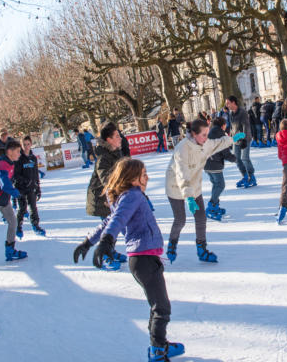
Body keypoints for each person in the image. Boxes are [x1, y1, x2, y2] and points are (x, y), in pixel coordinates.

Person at [73, 159, 184, 362]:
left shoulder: (126, 197)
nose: (147, 177)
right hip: (144, 259)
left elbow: (109, 220)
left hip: (143, 258)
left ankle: (158, 345)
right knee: (161, 307)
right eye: (143, 174)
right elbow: (117, 220)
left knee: (157, 305)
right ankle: (158, 350)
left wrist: (88, 242)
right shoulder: (132, 195)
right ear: (132, 178)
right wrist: (106, 241)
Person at [164, 119, 244, 264]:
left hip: (194, 185)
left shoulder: (205, 143)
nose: (206, 138)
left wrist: (232, 139)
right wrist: (188, 197)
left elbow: (217, 143)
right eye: (203, 135)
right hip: (175, 186)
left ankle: (202, 249)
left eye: (207, 134)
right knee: (180, 220)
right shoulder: (182, 149)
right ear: (194, 134)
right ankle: (172, 245)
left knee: (201, 217)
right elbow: (182, 174)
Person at [85, 122, 127, 265]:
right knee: (110, 228)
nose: (120, 138)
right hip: (101, 198)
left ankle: (110, 250)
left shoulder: (116, 152)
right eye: (117, 136)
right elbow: (107, 180)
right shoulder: (104, 158)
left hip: (112, 197)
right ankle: (104, 255)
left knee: (115, 226)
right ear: (109, 140)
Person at [203, 118, 237, 221]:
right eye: (225, 124)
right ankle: (211, 206)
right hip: (214, 164)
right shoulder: (220, 135)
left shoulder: (209, 132)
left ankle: (215, 205)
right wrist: (235, 159)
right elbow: (225, 152)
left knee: (216, 184)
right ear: (223, 125)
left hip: (206, 163)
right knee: (220, 185)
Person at [13, 135, 44, 239]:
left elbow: (35, 174)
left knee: (33, 207)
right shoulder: (18, 158)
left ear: (31, 144)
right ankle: (18, 227)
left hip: (31, 187)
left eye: (28, 144)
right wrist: (24, 181)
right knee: (22, 208)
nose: (26, 146)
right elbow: (15, 174)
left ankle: (36, 225)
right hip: (21, 187)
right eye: (24, 144)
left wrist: (38, 187)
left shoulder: (33, 158)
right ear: (21, 145)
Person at [226, 95, 256, 188]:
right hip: (236, 139)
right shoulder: (231, 113)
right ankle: (245, 176)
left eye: (228, 103)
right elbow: (232, 127)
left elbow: (245, 126)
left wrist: (244, 139)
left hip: (245, 138)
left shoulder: (242, 112)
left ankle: (252, 177)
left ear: (233, 102)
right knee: (236, 159)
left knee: (245, 158)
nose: (226, 105)